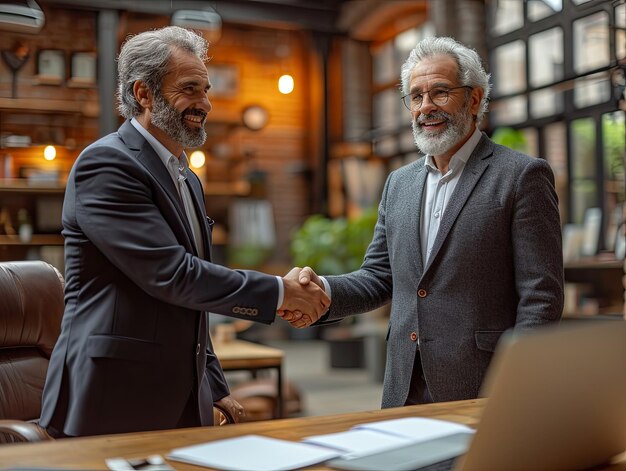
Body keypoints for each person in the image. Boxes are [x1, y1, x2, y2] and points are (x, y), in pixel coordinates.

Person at [39, 26, 328, 437]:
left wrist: (212, 385)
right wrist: (281, 292)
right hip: (111, 396)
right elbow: (173, 275)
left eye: (206, 90)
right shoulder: (106, 165)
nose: (205, 104)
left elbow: (192, 298)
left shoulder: (187, 178)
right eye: (190, 89)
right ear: (143, 93)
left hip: (176, 396)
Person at [285, 36, 564, 407]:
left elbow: (541, 297)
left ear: (475, 98)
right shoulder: (398, 184)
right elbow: (379, 277)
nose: (425, 107)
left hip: (485, 386)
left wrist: (515, 384)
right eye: (416, 96)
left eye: (440, 92)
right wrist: (321, 291)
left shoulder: (521, 176)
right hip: (404, 385)